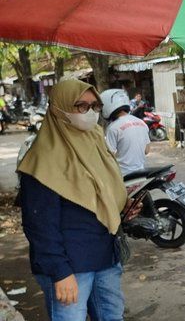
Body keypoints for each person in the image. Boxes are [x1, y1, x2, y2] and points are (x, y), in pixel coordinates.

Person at [18, 79, 127, 320]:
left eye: (95, 106)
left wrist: (125, 207)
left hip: (104, 256)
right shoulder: (43, 159)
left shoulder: (96, 142)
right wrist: (60, 272)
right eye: (81, 106)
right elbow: (39, 225)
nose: (90, 113)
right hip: (70, 266)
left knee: (113, 317)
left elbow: (105, 196)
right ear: (60, 107)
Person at [100, 89, 151, 175]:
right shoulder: (142, 123)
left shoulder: (113, 128)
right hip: (141, 174)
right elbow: (146, 150)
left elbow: (109, 157)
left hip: (123, 176)